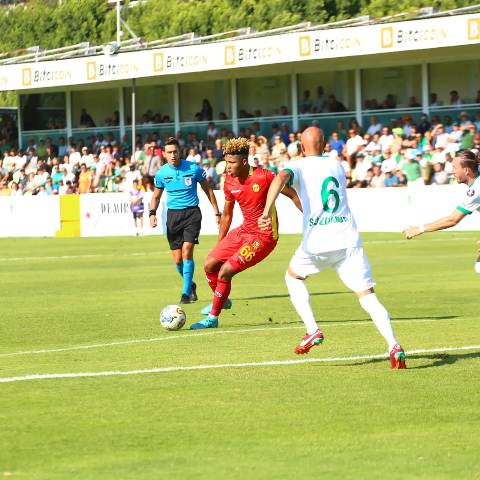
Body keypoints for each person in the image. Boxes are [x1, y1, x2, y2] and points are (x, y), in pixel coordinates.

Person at [258, 126, 406, 369]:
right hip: (348, 241)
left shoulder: (298, 166)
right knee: (368, 297)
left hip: (318, 242)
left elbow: (280, 178)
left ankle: (312, 329)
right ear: (325, 144)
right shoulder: (336, 164)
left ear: (302, 147)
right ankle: (393, 344)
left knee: (293, 277)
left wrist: (266, 211)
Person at [190, 137, 302, 330]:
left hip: (264, 237)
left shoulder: (264, 176)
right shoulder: (229, 181)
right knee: (210, 264)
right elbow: (227, 215)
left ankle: (212, 318)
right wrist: (220, 243)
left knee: (225, 271)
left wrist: (311, 217)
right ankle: (223, 300)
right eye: (226, 162)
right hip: (244, 230)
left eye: (231, 163)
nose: (227, 167)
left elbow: (292, 195)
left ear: (243, 161)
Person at [149, 138, 221, 304]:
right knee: (177, 259)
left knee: (187, 250)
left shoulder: (193, 168)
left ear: (180, 152)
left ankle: (185, 294)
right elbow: (156, 196)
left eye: (175, 151)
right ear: (164, 154)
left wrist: (217, 212)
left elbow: (208, 190)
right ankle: (190, 285)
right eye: (169, 152)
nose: (173, 155)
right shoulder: (161, 173)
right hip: (173, 217)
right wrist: (152, 213)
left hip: (192, 214)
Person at [404, 150, 480, 272]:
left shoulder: (475, 191)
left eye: (455, 168)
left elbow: (452, 220)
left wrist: (420, 229)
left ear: (466, 170)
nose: (452, 171)